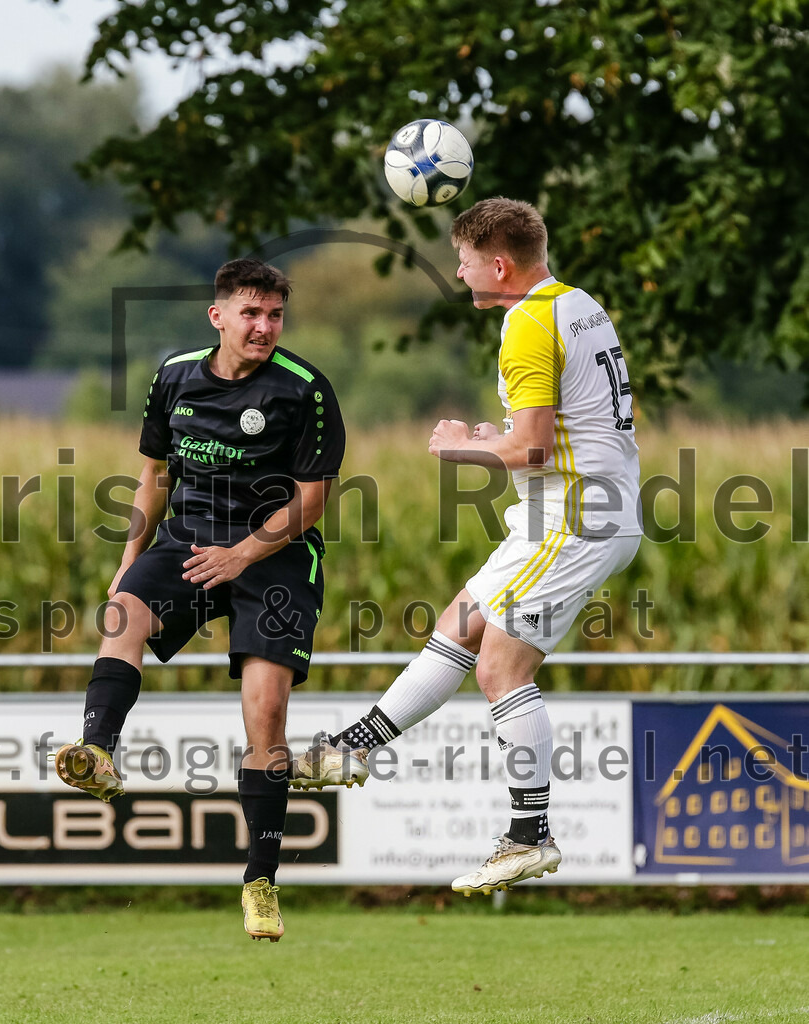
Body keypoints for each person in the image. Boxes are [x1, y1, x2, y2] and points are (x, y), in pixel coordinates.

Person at [291, 197, 642, 896]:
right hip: (572, 511)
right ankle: (348, 753)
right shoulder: (574, 303)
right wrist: (492, 438)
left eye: (463, 259)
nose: (457, 271)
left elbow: (536, 447)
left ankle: (528, 836)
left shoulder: (526, 324)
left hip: (572, 518)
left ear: (499, 263)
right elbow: (563, 430)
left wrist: (460, 449)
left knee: (498, 671)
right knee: (460, 623)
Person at [54, 258, 345, 941]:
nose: (264, 326)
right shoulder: (175, 376)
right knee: (122, 614)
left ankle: (260, 882)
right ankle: (96, 752)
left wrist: (242, 554)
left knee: (265, 710)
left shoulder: (304, 390)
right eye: (250, 313)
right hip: (187, 540)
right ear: (217, 316)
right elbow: (153, 474)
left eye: (274, 315)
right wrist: (129, 560)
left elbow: (312, 500)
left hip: (273, 555)